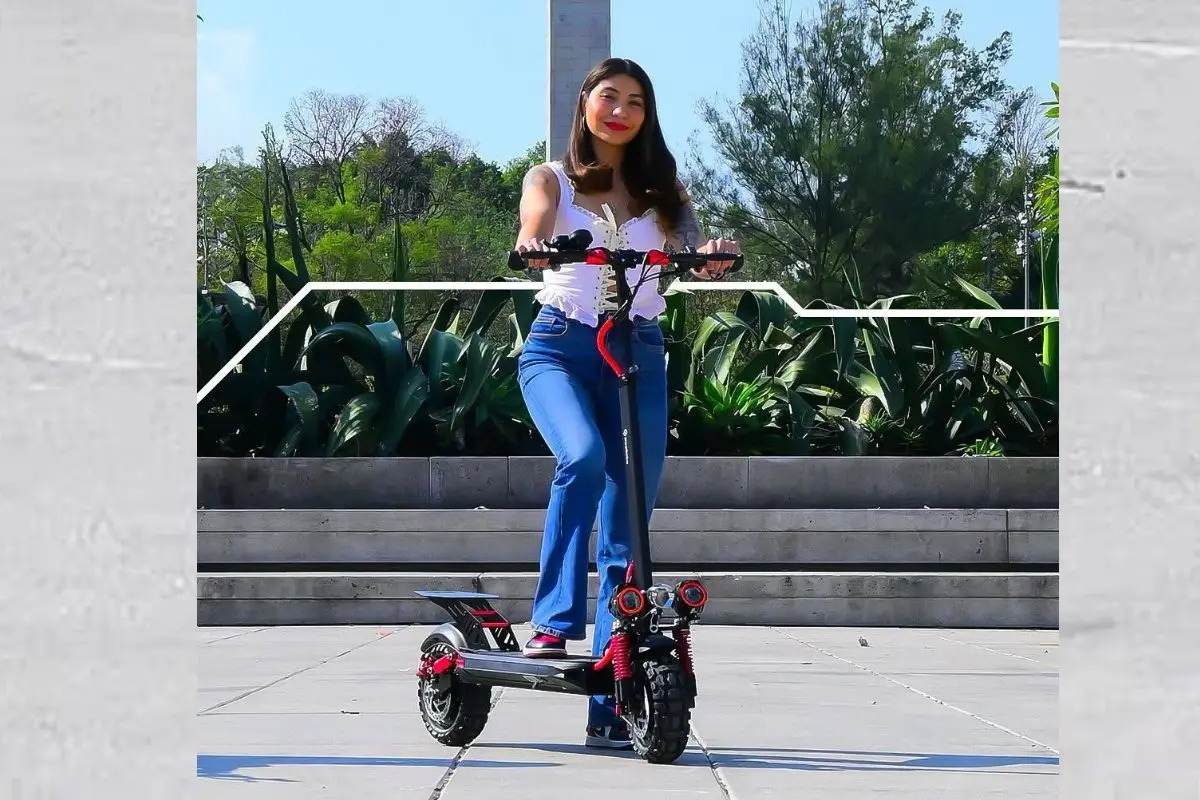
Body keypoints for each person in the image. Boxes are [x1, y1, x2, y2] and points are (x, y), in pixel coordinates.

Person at [512, 57, 740, 750]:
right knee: (581, 458)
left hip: (636, 350)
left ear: (647, 115)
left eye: (635, 101)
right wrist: (535, 245)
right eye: (609, 97)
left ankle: (615, 695)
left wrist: (711, 256)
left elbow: (692, 247)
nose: (620, 111)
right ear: (585, 103)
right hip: (559, 346)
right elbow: (532, 229)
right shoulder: (550, 178)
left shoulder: (663, 190)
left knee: (629, 517)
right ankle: (553, 620)